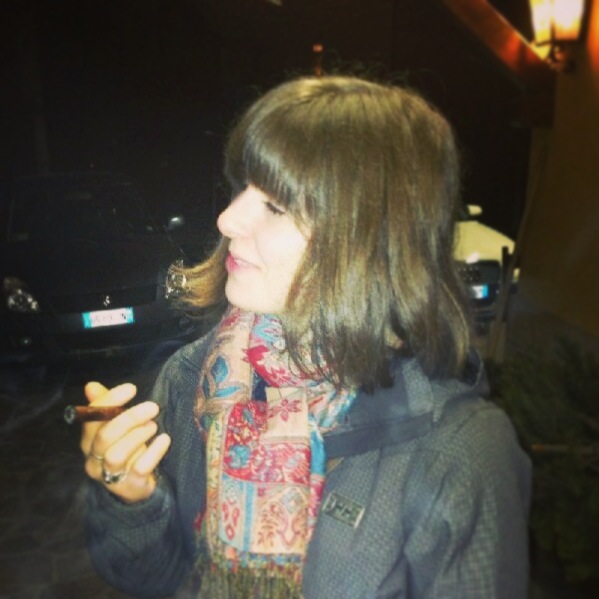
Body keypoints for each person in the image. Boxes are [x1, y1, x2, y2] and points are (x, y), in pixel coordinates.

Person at [81, 75, 531, 599]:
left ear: (370, 241)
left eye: (275, 205)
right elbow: (154, 579)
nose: (227, 220)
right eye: (242, 188)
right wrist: (132, 499)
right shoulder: (190, 380)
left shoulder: (460, 452)